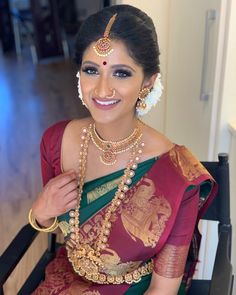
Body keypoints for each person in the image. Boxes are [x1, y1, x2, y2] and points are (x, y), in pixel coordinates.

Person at [28, 4, 217, 295]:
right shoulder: (56, 142)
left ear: (148, 82)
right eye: (91, 70)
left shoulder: (177, 174)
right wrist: (40, 212)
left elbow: (163, 289)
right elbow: (63, 231)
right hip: (67, 278)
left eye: (122, 73)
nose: (102, 90)